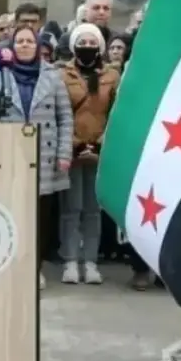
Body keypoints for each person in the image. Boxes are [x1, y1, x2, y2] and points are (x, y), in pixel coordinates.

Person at [0, 25, 72, 289]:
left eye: (30, 41)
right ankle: (11, 266)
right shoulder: (0, 75)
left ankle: (35, 268)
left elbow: (65, 117)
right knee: (12, 214)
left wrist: (64, 153)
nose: (25, 45)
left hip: (45, 156)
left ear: (39, 46)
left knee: (40, 219)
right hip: (10, 154)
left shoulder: (53, 76)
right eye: (19, 41)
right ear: (11, 45)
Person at [58, 24, 118, 287]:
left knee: (93, 210)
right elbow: (59, 112)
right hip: (71, 151)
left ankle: (91, 262)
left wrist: (100, 143)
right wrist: (76, 144)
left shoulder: (111, 76)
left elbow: (116, 112)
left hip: (100, 151)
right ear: (73, 46)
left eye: (92, 43)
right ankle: (71, 260)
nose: (87, 47)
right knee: (71, 209)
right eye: (82, 42)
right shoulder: (62, 74)